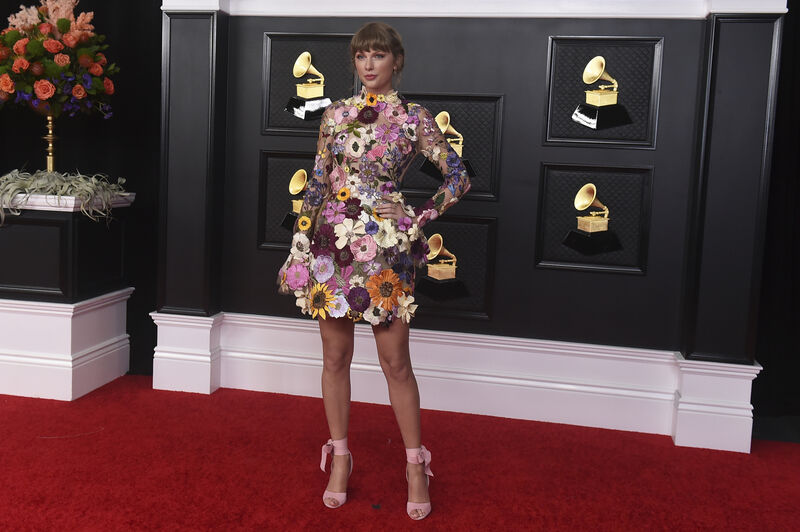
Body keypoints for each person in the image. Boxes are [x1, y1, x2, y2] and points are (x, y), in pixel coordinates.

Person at [277, 21, 470, 521]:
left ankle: (414, 466)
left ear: (395, 62)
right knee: (335, 356)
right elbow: (318, 181)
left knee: (394, 362)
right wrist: (300, 241)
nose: (368, 64)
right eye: (361, 55)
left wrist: (414, 215)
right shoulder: (336, 114)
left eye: (378, 55)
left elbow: (458, 175)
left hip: (385, 251)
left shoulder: (413, 118)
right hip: (330, 248)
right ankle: (340, 457)